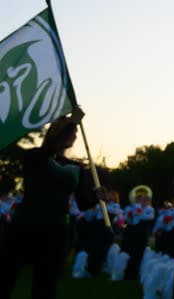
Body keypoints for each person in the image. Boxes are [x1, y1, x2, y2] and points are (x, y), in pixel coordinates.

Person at [0, 106, 100, 299]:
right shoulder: (34, 157)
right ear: (59, 134)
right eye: (72, 132)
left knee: (45, 287)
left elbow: (83, 202)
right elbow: (48, 150)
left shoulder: (76, 168)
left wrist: (97, 196)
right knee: (5, 278)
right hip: (24, 226)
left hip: (55, 231)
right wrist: (71, 120)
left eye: (76, 132)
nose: (75, 136)